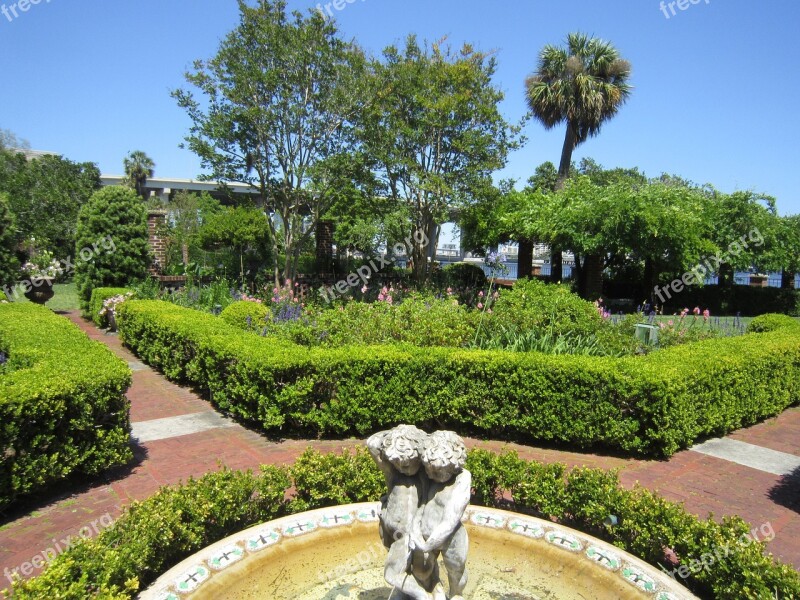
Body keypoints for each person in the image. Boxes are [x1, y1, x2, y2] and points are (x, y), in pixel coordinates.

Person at [367, 425, 434, 600]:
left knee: (403, 572)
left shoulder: (425, 475)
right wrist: (396, 435)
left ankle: (422, 595)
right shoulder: (392, 474)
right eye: (397, 462)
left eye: (407, 462)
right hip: (394, 533)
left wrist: (421, 438)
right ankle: (410, 592)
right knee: (400, 570)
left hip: (413, 534)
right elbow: (372, 443)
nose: (402, 467)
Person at [411, 431, 471, 600]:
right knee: (421, 571)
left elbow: (451, 519)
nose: (430, 474)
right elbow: (420, 505)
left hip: (451, 538)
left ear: (453, 465)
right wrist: (415, 530)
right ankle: (434, 589)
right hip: (424, 535)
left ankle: (455, 594)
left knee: (456, 572)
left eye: (437, 471)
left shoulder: (462, 478)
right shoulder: (429, 475)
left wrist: (427, 545)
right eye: (428, 469)